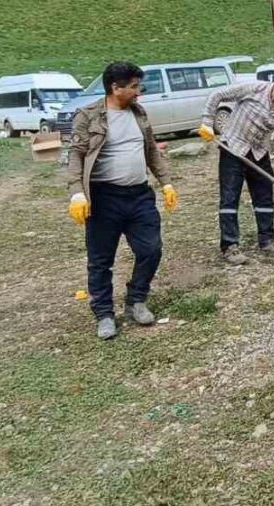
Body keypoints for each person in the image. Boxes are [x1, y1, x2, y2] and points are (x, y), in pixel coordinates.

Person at [67, 61, 180, 340]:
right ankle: (104, 314)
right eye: (133, 86)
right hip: (104, 198)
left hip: (139, 195)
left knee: (151, 249)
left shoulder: (138, 112)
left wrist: (165, 182)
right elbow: (76, 154)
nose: (138, 92)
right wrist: (76, 191)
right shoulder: (89, 115)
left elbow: (152, 149)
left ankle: (136, 300)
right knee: (100, 260)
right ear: (114, 88)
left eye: (137, 85)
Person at [198, 72, 274, 265]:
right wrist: (207, 122)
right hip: (233, 148)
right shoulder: (254, 89)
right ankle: (230, 246)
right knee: (230, 198)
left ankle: (267, 241)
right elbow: (217, 95)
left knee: (264, 197)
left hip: (259, 152)